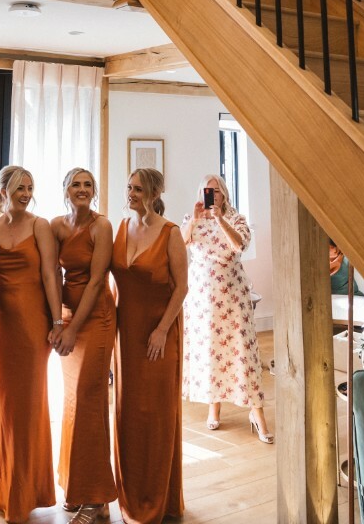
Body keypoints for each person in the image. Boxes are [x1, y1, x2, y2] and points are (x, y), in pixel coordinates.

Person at [0, 166, 61, 524]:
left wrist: (58, 321)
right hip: (1, 326)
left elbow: (49, 274)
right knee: (3, 406)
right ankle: (1, 488)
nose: (26, 193)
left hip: (32, 326)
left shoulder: (39, 225)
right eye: (19, 187)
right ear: (3, 190)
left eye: (30, 187)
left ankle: (27, 491)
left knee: (28, 407)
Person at [111, 168, 188, 524]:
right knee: (127, 413)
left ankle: (157, 497)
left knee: (155, 415)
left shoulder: (171, 233)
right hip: (125, 333)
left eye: (136, 189)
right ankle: (128, 493)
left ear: (153, 193)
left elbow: (181, 288)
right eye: (128, 187)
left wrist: (161, 330)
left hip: (158, 333)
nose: (129, 193)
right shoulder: (122, 228)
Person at [181, 174, 273, 442]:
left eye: (215, 191)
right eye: (206, 191)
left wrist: (219, 218)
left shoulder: (236, 218)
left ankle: (257, 415)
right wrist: (197, 220)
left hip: (232, 296)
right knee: (210, 351)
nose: (210, 195)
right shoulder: (193, 218)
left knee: (242, 351)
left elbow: (240, 244)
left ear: (223, 193)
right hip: (201, 299)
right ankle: (214, 407)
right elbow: (179, 244)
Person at [50, 168, 116, 524]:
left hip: (97, 319)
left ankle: (96, 498)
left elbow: (95, 281)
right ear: (65, 190)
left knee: (90, 401)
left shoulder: (101, 226)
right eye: (75, 184)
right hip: (68, 317)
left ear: (94, 191)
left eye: (88, 184)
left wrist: (73, 328)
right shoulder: (56, 226)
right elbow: (49, 273)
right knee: (73, 400)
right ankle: (73, 486)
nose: (82, 189)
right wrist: (57, 322)